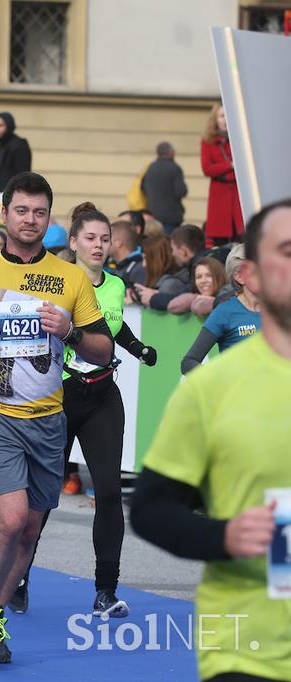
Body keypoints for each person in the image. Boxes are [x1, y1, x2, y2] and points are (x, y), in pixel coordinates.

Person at [0, 172, 112, 664]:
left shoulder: (71, 277)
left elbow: (103, 348)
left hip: (50, 417)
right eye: (21, 211)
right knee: (9, 520)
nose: (30, 220)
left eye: (39, 212)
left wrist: (71, 331)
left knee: (31, 529)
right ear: (5, 215)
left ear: (49, 218)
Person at [130, 199, 291, 682]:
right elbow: (151, 510)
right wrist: (223, 536)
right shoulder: (212, 390)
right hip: (252, 650)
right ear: (253, 277)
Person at [8, 202, 157, 620]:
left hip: (103, 395)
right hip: (60, 394)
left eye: (105, 239)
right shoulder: (55, 281)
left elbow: (112, 326)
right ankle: (18, 579)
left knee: (109, 493)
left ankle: (105, 592)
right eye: (90, 238)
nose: (98, 245)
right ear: (72, 243)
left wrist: (139, 349)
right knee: (42, 496)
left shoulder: (115, 284)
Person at [181, 245, 261, 374]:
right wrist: (220, 378)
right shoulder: (225, 312)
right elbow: (189, 362)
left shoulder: (279, 310)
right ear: (239, 276)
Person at [133, 224, 210, 310]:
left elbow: (180, 301)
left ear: (184, 251)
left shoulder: (171, 283)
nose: (172, 254)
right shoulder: (197, 268)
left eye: (173, 249)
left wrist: (154, 298)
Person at [201, 104, 245, 245]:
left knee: (242, 238)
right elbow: (207, 169)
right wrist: (230, 165)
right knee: (219, 241)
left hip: (238, 195)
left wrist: (223, 169)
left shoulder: (240, 139)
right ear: (215, 119)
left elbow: (244, 164)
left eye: (227, 116)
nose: (225, 120)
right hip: (219, 196)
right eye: (221, 116)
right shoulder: (208, 141)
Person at [140, 142, 188, 234]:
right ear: (170, 152)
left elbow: (142, 187)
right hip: (171, 215)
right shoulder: (175, 168)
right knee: (168, 243)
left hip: (152, 213)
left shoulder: (151, 167)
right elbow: (181, 191)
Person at [0, 112, 32, 196]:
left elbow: (23, 177)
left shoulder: (19, 145)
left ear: (9, 126)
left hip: (11, 199)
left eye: (0, 125)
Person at [106, 219, 142, 286]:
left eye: (106, 239)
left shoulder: (139, 269)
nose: (100, 243)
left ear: (119, 243)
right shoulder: (114, 264)